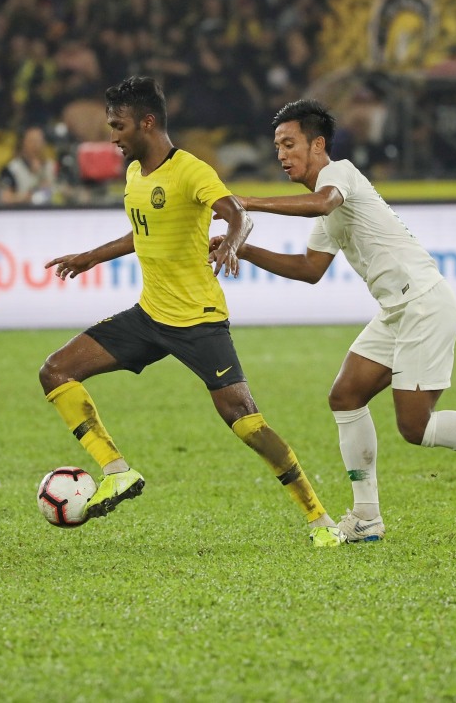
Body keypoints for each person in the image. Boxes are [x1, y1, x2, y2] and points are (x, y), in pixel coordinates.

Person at [210, 99, 456, 543]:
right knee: (345, 395)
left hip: (423, 304)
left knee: (416, 428)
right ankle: (366, 517)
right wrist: (243, 249)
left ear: (317, 144)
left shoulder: (338, 176)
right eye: (277, 146)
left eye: (289, 143)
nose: (281, 154)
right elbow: (309, 269)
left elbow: (322, 204)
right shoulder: (327, 202)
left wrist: (246, 202)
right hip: (397, 311)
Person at [39, 77, 342, 547]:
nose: (112, 137)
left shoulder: (191, 171)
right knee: (55, 371)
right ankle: (117, 472)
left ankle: (320, 519)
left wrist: (233, 246)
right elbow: (143, 232)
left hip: (199, 321)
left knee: (248, 424)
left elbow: (238, 213)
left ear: (147, 122)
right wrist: (91, 256)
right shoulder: (135, 173)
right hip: (148, 316)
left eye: (118, 127)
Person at [0, 125, 58, 205]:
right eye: (32, 141)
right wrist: (28, 197)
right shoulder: (12, 169)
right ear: (22, 143)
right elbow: (5, 198)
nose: (36, 145)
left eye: (39, 141)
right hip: (22, 213)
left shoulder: (52, 166)